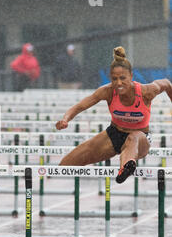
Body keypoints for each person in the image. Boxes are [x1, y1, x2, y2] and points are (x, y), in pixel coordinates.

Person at [55, 46, 172, 184]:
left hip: (140, 137)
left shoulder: (147, 91)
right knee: (64, 166)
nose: (119, 83)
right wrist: (65, 119)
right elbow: (80, 106)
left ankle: (126, 167)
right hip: (114, 134)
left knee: (132, 138)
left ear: (131, 76)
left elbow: (167, 84)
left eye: (123, 78)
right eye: (114, 79)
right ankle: (126, 166)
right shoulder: (107, 91)